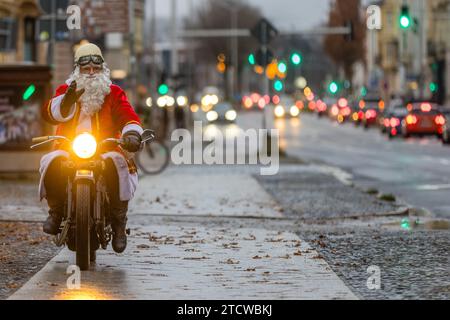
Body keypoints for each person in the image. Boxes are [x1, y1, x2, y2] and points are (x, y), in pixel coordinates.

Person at [39, 43, 143, 253]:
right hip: (70, 146)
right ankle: (56, 211)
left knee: (118, 164)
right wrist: (66, 102)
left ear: (102, 69)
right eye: (86, 69)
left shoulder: (113, 92)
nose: (91, 73)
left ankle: (118, 223)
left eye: (96, 68)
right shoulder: (66, 90)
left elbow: (127, 115)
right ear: (78, 70)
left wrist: (131, 133)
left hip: (105, 147)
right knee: (52, 161)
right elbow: (50, 112)